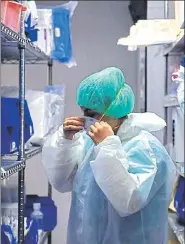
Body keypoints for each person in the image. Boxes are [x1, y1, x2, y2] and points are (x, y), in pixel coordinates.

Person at [42, 67, 176, 244]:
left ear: (114, 108)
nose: (86, 119)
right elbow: (62, 181)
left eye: (91, 114)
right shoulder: (90, 143)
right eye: (83, 112)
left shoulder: (145, 147)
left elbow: (128, 201)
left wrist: (107, 147)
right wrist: (66, 142)